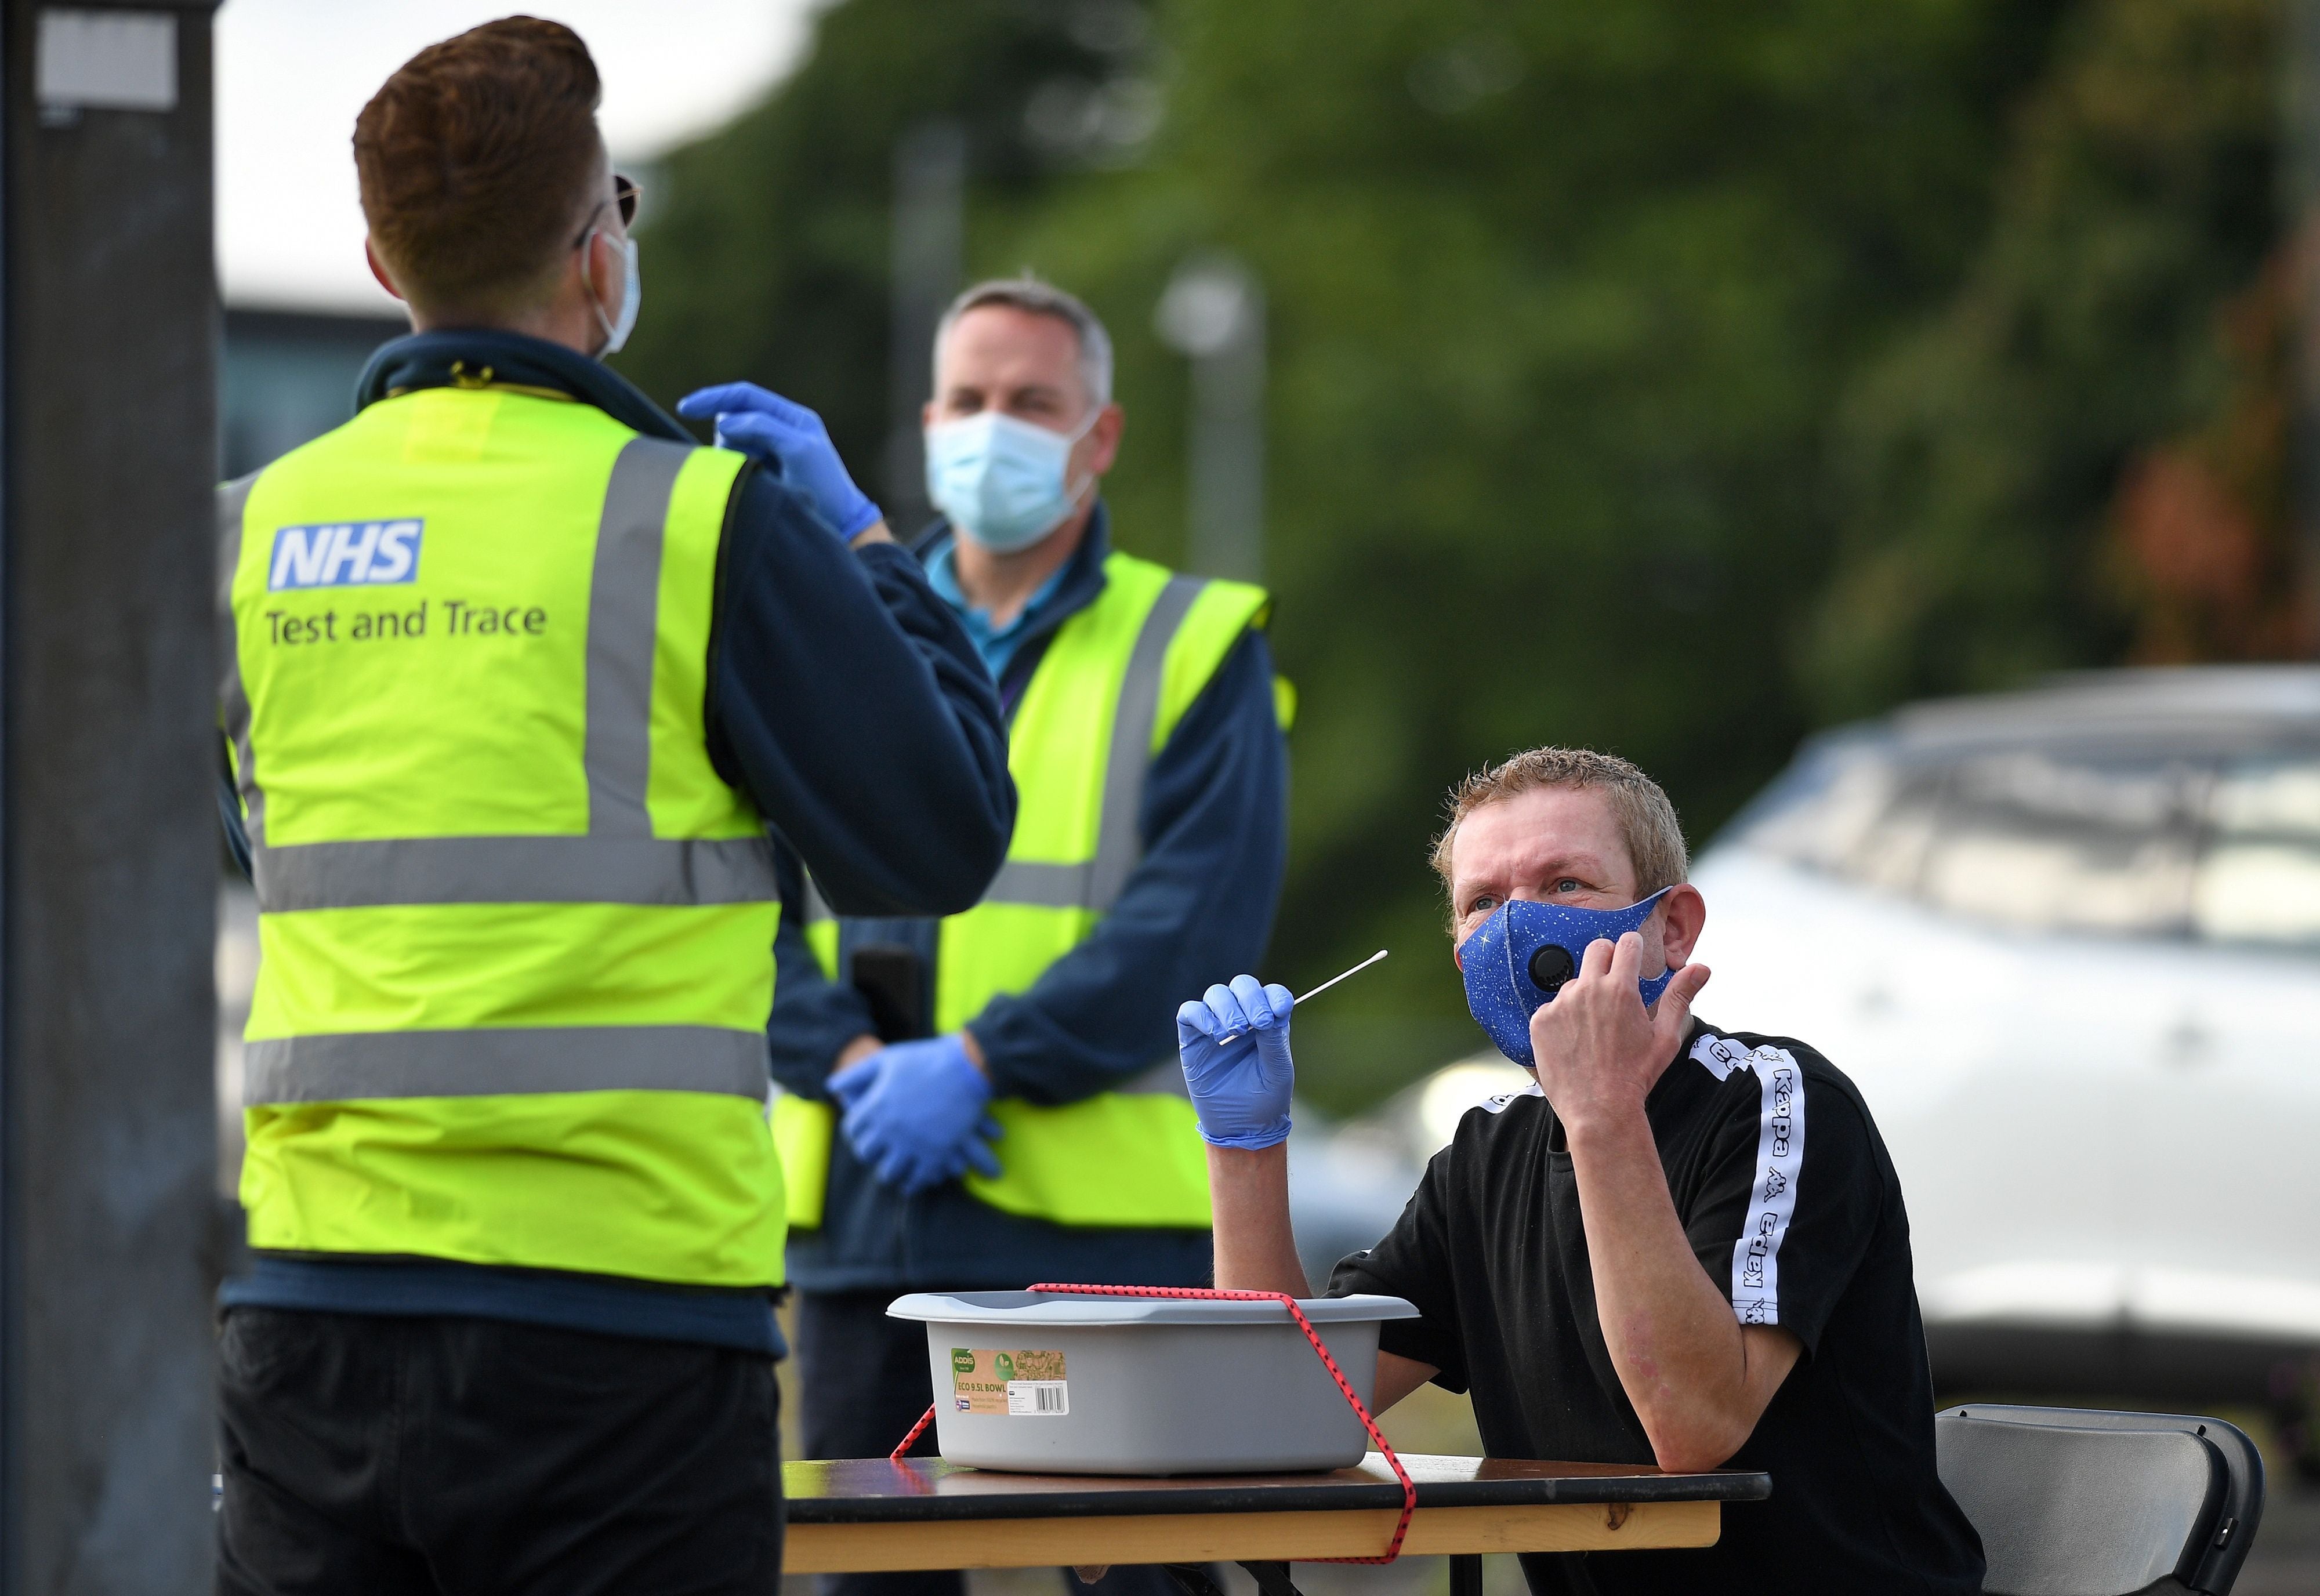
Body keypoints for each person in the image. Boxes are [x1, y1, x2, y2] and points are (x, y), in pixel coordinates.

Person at [211, 20, 1013, 1594]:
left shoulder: (248, 535)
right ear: (599, 251)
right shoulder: (696, 522)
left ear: (383, 262)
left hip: (314, 1313)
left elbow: (242, 841)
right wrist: (860, 544)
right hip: (619, 1327)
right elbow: (937, 835)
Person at [688, 279, 1289, 1596]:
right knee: (873, 1578)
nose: (991, 428)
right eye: (967, 400)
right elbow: (731, 888)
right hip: (867, 1214)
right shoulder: (833, 624)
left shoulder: (1192, 641)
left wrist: (977, 1061)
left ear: (1102, 434)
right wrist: (844, 1059)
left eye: (1031, 402)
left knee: (1142, 1580)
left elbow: (1193, 926)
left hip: (1103, 1244)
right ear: (924, 420)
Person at [1179, 748, 1986, 1595]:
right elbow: (1282, 1418)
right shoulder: (1486, 1156)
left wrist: (1603, 1116)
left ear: (1670, 929)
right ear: (1462, 957)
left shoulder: (1777, 1101)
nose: (1518, 927)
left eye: (1565, 884)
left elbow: (1695, 1426)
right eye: (1483, 903)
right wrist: (1245, 1151)